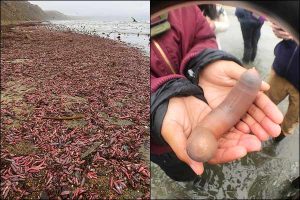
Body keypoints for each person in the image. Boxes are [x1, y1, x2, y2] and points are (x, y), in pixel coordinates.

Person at [150, 5, 283, 181]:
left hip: (195, 110)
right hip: (158, 140)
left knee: (193, 165)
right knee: (183, 170)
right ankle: (193, 180)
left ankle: (196, 179)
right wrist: (157, 104)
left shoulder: (185, 8)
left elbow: (202, 37)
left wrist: (206, 61)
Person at [266, 23, 299, 142]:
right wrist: (280, 27)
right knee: (263, 104)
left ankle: (276, 141)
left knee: (291, 120)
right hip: (281, 68)